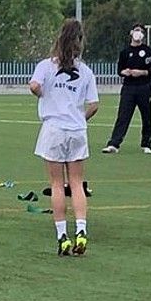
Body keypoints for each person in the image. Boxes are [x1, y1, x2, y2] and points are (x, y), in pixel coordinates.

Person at [29, 19, 99, 256]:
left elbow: (34, 86)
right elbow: (94, 104)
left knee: (57, 185)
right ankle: (81, 229)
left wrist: (41, 92)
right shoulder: (86, 71)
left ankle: (62, 236)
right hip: (77, 130)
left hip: (54, 129)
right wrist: (79, 118)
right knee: (77, 183)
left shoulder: (46, 66)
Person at [102, 23, 151, 154]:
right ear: (131, 33)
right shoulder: (125, 52)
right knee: (123, 115)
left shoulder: (148, 51)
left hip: (144, 87)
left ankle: (147, 143)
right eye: (136, 30)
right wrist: (125, 72)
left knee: (147, 116)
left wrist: (142, 72)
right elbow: (119, 70)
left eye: (140, 31)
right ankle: (114, 143)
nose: (138, 33)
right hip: (128, 88)